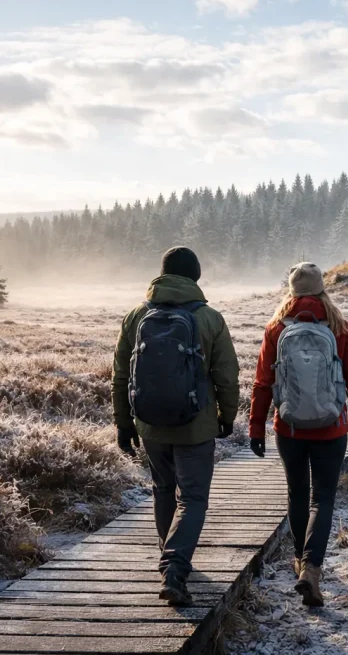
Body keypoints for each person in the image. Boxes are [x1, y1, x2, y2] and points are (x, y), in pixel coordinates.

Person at [112, 246, 240, 606]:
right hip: (196, 427)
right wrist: (226, 417)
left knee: (164, 490)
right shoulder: (210, 318)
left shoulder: (136, 316)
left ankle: (169, 556)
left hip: (150, 424)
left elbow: (121, 375)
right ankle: (175, 568)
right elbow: (226, 376)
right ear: (196, 276)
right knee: (194, 497)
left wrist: (125, 423)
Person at [249, 262, 348, 607]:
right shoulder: (339, 327)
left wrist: (256, 428)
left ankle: (301, 562)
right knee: (324, 498)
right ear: (322, 289)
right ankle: (311, 569)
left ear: (291, 290)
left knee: (297, 494)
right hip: (331, 428)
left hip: (288, 428)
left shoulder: (276, 328)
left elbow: (263, 383)